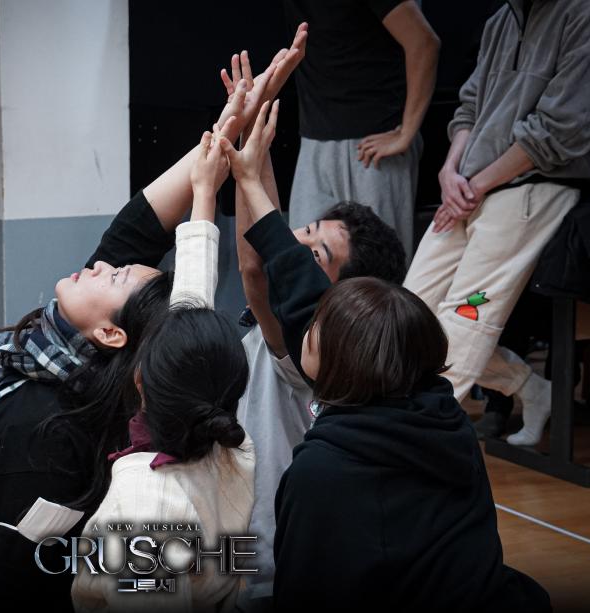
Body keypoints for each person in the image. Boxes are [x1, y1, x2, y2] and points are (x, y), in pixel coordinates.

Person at [0, 37, 308, 613]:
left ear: (112, 333)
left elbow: (9, 590)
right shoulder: (97, 361)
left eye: (115, 275)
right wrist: (222, 138)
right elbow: (147, 236)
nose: (101, 263)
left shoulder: (57, 442)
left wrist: (217, 173)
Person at [217, 52, 407, 609]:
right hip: (244, 547)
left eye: (317, 253)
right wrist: (251, 126)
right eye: (306, 229)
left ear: (346, 299)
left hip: (266, 563)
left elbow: (256, 260)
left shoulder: (317, 351)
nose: (295, 244)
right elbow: (269, 241)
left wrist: (251, 141)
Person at [273, 277, 552, 612]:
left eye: (318, 323)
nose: (307, 328)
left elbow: (303, 588)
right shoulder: (448, 422)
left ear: (346, 357)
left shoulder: (322, 469)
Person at [403, 0, 590, 446]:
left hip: (531, 187)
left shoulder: (586, 12)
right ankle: (529, 388)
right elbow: (469, 107)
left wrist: (474, 184)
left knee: (466, 314)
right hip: (468, 186)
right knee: (407, 316)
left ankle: (415, 439)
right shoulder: (502, 19)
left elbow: (563, 130)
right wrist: (449, 172)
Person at [72, 130, 254, 613]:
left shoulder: (146, 499)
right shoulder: (228, 445)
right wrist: (204, 193)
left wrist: (207, 192)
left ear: (139, 378)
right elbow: (193, 308)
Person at [283, 0, 439, 256]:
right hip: (314, 138)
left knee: (378, 268)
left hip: (370, 143)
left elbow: (423, 43)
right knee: (303, 264)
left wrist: (406, 132)